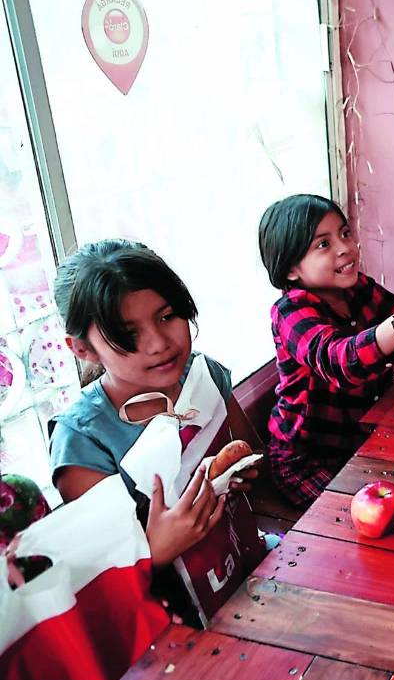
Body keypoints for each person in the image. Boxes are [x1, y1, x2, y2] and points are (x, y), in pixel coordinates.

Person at [48, 240, 262, 614]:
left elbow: (250, 452)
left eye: (166, 316)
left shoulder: (202, 375)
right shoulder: (83, 441)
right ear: (82, 349)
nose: (160, 343)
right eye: (128, 335)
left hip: (249, 569)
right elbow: (104, 592)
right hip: (174, 632)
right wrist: (160, 546)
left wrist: (240, 475)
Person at [258, 195, 394, 505]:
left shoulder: (359, 287)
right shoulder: (290, 312)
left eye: (345, 233)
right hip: (307, 462)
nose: (345, 247)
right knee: (362, 524)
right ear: (291, 269)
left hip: (367, 437)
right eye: (323, 244)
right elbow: (340, 362)